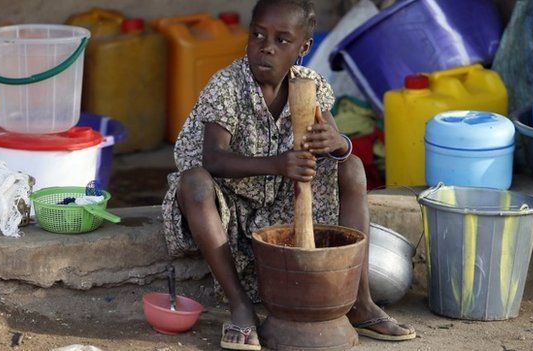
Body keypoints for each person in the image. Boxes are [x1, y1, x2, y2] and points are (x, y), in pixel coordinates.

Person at [162, 0, 416, 349]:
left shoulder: (310, 85)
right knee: (193, 182)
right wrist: (278, 164)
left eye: (282, 40)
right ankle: (240, 306)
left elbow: (335, 146)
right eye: (258, 35)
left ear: (303, 48)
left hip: (277, 203)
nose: (266, 47)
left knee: (353, 167)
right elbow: (214, 159)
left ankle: (359, 302)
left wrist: (338, 142)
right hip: (227, 203)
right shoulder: (227, 85)